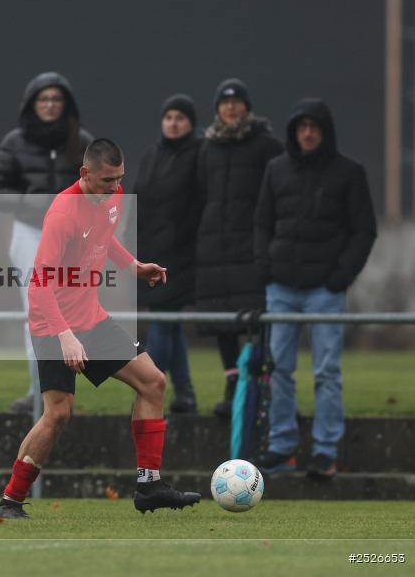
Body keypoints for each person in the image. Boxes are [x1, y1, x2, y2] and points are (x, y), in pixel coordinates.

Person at [0, 139, 200, 521]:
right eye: (105, 181)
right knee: (58, 414)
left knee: (153, 383)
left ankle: (149, 486)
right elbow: (39, 286)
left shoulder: (114, 195)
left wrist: (133, 265)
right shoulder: (62, 214)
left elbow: (104, 239)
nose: (113, 188)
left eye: (119, 179)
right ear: (84, 175)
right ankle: (9, 501)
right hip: (52, 324)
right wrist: (64, 336)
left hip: (92, 319)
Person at [253, 98, 376, 478]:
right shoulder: (276, 170)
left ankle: (325, 451)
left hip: (326, 289)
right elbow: (261, 224)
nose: (307, 133)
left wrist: (339, 278)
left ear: (325, 132)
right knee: (279, 369)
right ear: (294, 132)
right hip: (282, 288)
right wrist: (266, 267)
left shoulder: (349, 173)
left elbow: (364, 231)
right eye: (301, 127)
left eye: (314, 127)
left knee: (326, 372)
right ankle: (282, 446)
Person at [0, 72, 93, 413]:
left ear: (66, 105)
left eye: (56, 99)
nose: (50, 105)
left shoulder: (82, 141)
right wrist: (25, 203)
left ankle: (61, 393)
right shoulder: (15, 142)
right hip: (30, 233)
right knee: (37, 313)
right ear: (33, 104)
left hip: (73, 238)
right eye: (43, 99)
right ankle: (38, 392)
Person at [195, 78, 283, 418]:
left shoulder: (266, 146)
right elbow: (202, 193)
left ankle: (259, 387)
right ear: (217, 108)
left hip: (252, 241)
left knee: (257, 317)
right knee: (221, 319)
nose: (230, 107)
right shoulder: (207, 148)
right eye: (224, 101)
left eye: (236, 101)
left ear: (247, 106)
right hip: (215, 244)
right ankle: (232, 385)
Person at [131, 94, 202, 413]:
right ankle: (184, 393)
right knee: (169, 324)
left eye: (180, 118)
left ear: (191, 123)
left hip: (180, 255)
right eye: (169, 117)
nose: (173, 123)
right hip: (150, 253)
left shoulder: (199, 155)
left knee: (162, 320)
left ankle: (151, 386)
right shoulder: (151, 155)